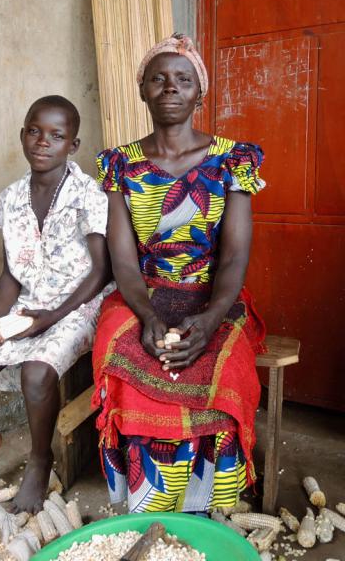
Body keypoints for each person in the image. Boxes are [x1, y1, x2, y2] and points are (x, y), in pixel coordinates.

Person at [92, 34, 266, 514]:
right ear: (143, 90)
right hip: (143, 293)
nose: (171, 88)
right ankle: (149, 499)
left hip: (213, 295)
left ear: (199, 94)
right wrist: (147, 316)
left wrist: (209, 320)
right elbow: (124, 262)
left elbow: (233, 258)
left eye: (183, 80)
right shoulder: (119, 165)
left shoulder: (232, 160)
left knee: (222, 362)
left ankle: (208, 502)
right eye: (159, 79)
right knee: (120, 346)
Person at [0, 95, 111, 514]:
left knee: (37, 373)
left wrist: (50, 319)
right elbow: (12, 273)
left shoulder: (89, 195)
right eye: (34, 131)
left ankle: (41, 459)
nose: (43, 142)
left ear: (72, 145)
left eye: (57, 135)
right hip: (28, 306)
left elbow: (101, 273)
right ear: (22, 135)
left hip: (80, 307)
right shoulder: (10, 198)